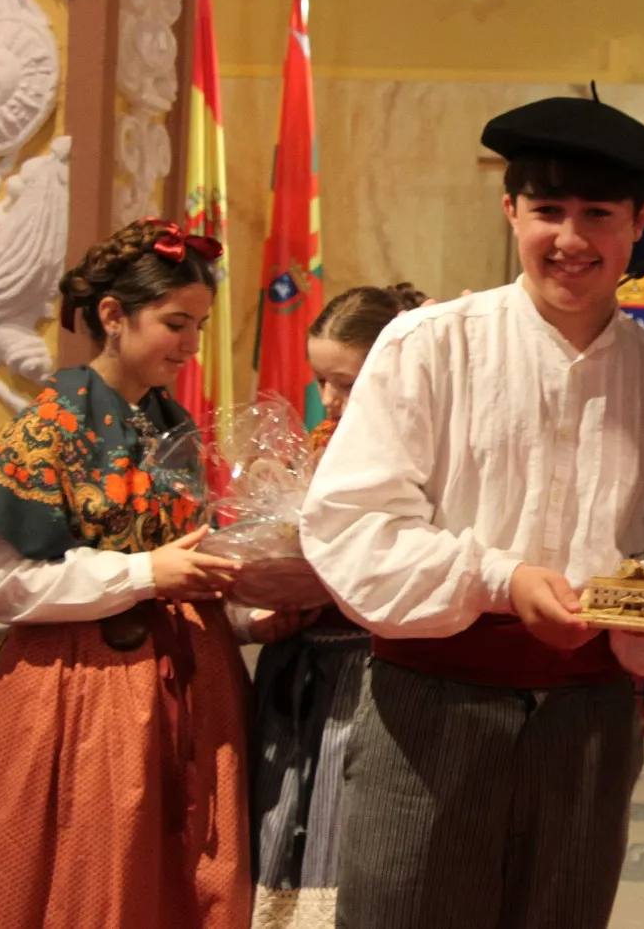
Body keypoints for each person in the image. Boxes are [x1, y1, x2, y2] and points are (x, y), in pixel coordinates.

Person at [300, 95, 644, 928]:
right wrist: (498, 578)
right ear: (509, 211)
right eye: (547, 210)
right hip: (430, 710)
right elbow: (351, 525)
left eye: (598, 213)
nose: (571, 239)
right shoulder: (430, 345)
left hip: (588, 728)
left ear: (640, 222)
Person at [0, 219, 251, 929]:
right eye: (175, 323)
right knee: (86, 885)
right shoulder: (52, 423)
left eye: (199, 325)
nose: (192, 346)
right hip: (80, 696)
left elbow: (183, 549)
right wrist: (144, 572)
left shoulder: (169, 425)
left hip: (181, 695)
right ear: (113, 315)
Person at [247, 282, 427, 929]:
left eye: (344, 382)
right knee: (284, 820)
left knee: (350, 836)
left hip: (370, 674)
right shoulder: (325, 437)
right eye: (321, 381)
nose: (328, 399)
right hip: (302, 673)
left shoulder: (422, 445)